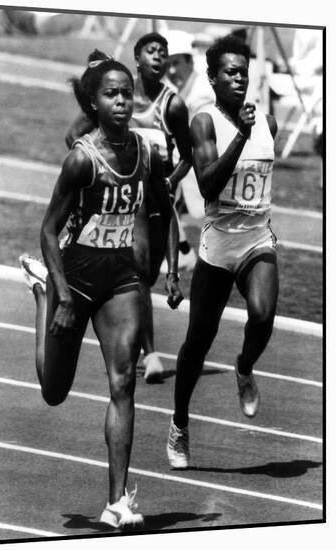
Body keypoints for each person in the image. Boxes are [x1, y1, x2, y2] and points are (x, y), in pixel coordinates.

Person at [19, 50, 182, 528]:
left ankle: (116, 501)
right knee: (53, 391)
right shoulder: (81, 160)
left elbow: (164, 208)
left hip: (121, 277)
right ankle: (40, 291)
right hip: (75, 277)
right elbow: (48, 231)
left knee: (123, 380)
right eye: (111, 94)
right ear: (92, 104)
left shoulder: (145, 153)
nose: (122, 102)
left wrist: (172, 268)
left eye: (126, 94)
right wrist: (63, 296)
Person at [166, 35, 279, 469]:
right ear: (212, 77)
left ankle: (245, 367)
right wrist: (241, 137)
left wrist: (253, 131)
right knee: (198, 341)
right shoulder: (204, 122)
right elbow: (209, 184)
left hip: (255, 240)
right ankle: (179, 424)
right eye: (229, 72)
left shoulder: (268, 123)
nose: (238, 78)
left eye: (243, 72)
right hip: (218, 244)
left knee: (263, 314)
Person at [66, 32, 192, 383]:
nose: (158, 57)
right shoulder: (117, 94)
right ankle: (149, 353)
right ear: (137, 58)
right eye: (151, 51)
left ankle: (137, 338)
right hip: (130, 197)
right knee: (135, 275)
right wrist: (96, 160)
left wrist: (171, 179)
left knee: (147, 276)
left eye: (163, 53)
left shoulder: (173, 105)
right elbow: (73, 134)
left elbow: (189, 155)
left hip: (160, 194)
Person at [164, 29, 215, 223]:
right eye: (167, 65)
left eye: (176, 63)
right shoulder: (182, 89)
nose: (171, 71)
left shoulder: (201, 95)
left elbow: (205, 143)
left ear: (190, 62)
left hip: (201, 175)